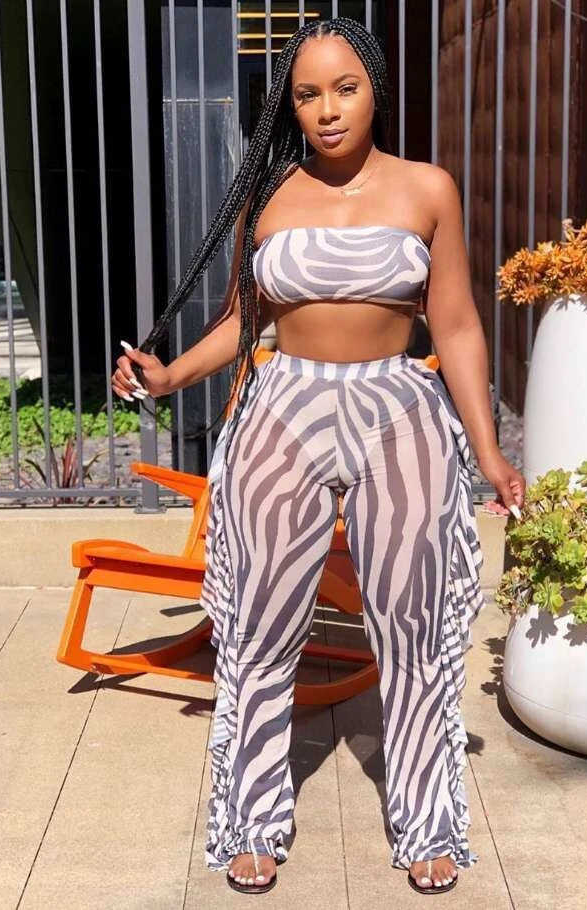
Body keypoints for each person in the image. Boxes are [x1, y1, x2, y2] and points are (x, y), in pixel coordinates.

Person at [111, 17, 525, 897]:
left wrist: (488, 454)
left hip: (398, 412)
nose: (328, 110)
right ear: (289, 106)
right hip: (283, 411)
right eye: (307, 94)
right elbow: (243, 320)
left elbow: (455, 324)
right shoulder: (268, 197)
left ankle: (427, 821)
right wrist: (169, 372)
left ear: (375, 89)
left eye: (346, 89)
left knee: (413, 627)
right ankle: (253, 819)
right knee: (261, 625)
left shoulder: (427, 189)